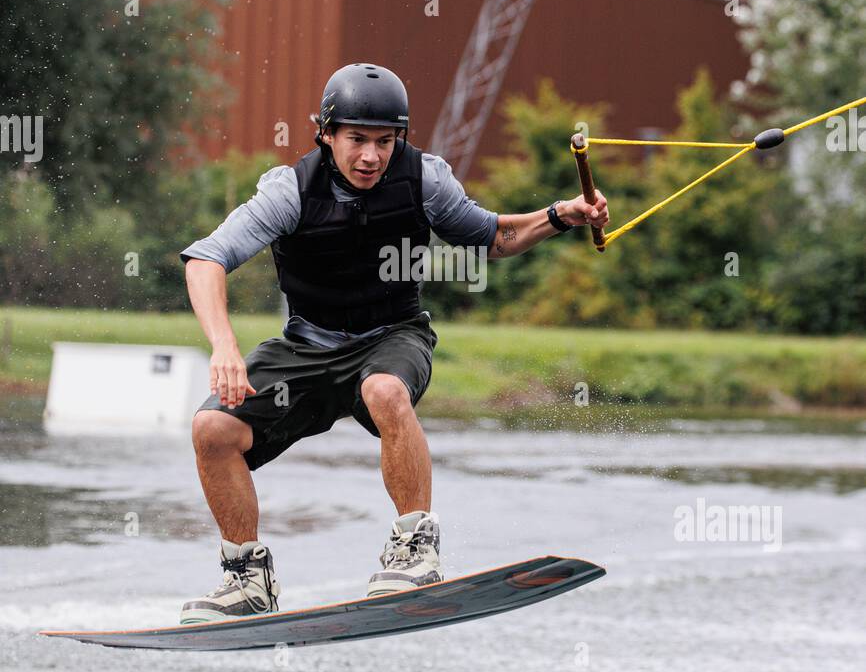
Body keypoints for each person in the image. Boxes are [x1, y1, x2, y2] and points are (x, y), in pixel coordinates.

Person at [179, 62, 609, 623]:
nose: (370, 157)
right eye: (356, 140)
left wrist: (560, 215)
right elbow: (206, 259)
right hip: (307, 346)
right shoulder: (289, 191)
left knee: (385, 390)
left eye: (384, 142)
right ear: (326, 134)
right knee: (212, 429)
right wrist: (224, 346)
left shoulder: (424, 180)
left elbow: (493, 237)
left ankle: (415, 549)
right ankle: (246, 580)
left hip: (392, 336)